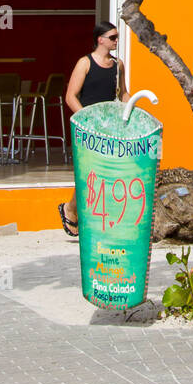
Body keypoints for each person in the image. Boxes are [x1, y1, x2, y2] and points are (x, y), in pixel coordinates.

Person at [58, 21, 129, 237]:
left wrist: (133, 110)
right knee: (88, 171)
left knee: (107, 172)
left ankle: (99, 218)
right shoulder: (85, 63)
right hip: (89, 125)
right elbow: (71, 96)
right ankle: (71, 208)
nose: (116, 41)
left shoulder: (118, 65)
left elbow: (123, 93)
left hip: (110, 124)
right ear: (100, 39)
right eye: (113, 37)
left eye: (117, 37)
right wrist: (86, 120)